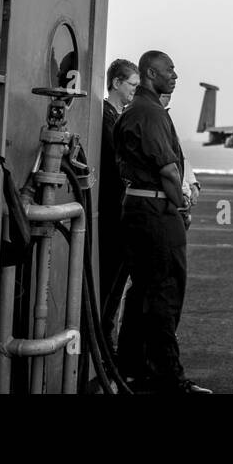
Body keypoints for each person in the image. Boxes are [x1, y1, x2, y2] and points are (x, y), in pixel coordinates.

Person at [114, 50, 210, 393]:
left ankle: (132, 369)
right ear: (151, 73)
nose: (175, 75)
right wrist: (181, 206)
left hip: (139, 209)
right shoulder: (150, 113)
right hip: (156, 213)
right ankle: (168, 379)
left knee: (142, 292)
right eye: (169, 70)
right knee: (165, 295)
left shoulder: (135, 110)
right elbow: (169, 170)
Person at [99, 58, 138, 349]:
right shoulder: (106, 117)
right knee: (110, 286)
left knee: (114, 286)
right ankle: (104, 347)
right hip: (113, 213)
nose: (135, 91)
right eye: (132, 85)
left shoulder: (115, 116)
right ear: (116, 83)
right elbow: (118, 163)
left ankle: (104, 344)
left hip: (115, 210)